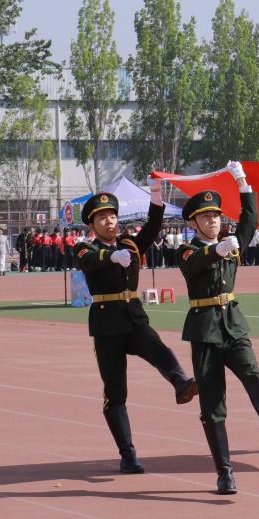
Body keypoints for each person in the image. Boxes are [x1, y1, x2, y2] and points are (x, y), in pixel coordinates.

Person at [177, 161, 259, 495]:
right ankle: (224, 472)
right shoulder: (186, 250)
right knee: (213, 405)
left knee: (253, 373)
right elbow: (197, 263)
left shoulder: (231, 243)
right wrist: (218, 249)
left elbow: (251, 220)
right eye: (205, 217)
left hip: (232, 323)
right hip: (205, 330)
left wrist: (242, 182)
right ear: (194, 222)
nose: (213, 220)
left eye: (215, 215)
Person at [74, 182, 198, 475]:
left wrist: (156, 198)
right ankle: (128, 454)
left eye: (112, 216)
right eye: (102, 217)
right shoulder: (85, 247)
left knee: (159, 348)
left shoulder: (129, 244)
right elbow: (88, 261)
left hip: (133, 317)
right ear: (92, 224)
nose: (109, 221)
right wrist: (110, 256)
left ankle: (181, 383)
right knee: (115, 393)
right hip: (106, 324)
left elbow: (152, 229)